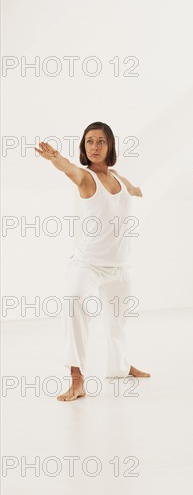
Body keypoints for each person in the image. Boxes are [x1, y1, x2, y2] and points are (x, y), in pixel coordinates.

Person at [35, 121, 150, 402]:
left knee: (118, 322)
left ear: (110, 146)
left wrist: (137, 191)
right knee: (75, 301)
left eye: (100, 141)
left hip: (120, 266)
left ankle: (120, 368)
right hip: (88, 264)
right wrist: (57, 159)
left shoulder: (119, 178)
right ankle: (76, 379)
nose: (95, 147)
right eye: (89, 142)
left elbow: (133, 190)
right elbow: (70, 170)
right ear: (83, 148)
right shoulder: (86, 177)